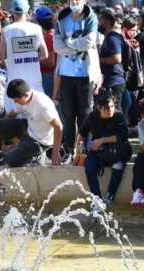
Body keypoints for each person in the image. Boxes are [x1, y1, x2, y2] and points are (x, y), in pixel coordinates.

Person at [53, 0, 100, 156]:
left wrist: (69, 44)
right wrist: (76, 46)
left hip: (85, 75)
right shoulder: (62, 17)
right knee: (68, 114)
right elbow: (56, 46)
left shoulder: (91, 17)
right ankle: (68, 148)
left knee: (85, 113)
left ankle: (86, 147)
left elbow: (89, 42)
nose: (74, 1)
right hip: (66, 74)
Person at [72, 91, 130, 207]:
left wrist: (102, 140)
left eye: (112, 107)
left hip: (116, 150)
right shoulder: (92, 116)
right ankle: (97, 199)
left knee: (118, 166)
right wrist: (77, 153)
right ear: (99, 107)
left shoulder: (119, 116)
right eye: (107, 108)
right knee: (89, 167)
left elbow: (122, 136)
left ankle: (110, 196)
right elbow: (81, 134)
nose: (110, 110)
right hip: (97, 151)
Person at [0, 79, 63, 166]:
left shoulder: (42, 104)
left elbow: (58, 126)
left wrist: (55, 152)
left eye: (16, 100)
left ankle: (37, 156)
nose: (15, 102)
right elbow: (10, 115)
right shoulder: (22, 98)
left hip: (40, 141)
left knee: (9, 159)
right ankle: (17, 147)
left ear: (26, 95)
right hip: (28, 128)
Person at [0, 0, 48, 112]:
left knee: (14, 119)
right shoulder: (36, 29)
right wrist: (32, 58)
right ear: (27, 11)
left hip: (14, 83)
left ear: (12, 12)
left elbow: (1, 57)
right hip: (34, 82)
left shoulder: (6, 30)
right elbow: (45, 54)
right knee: (36, 117)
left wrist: (12, 59)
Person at [97, 10, 126, 109]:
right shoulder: (108, 37)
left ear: (107, 23)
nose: (97, 23)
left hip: (114, 82)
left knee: (115, 112)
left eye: (99, 20)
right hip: (111, 81)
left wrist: (99, 60)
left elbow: (117, 59)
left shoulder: (112, 38)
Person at [35, 6, 57, 98]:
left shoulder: (49, 37)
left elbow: (50, 63)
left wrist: (35, 56)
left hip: (48, 76)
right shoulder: (53, 33)